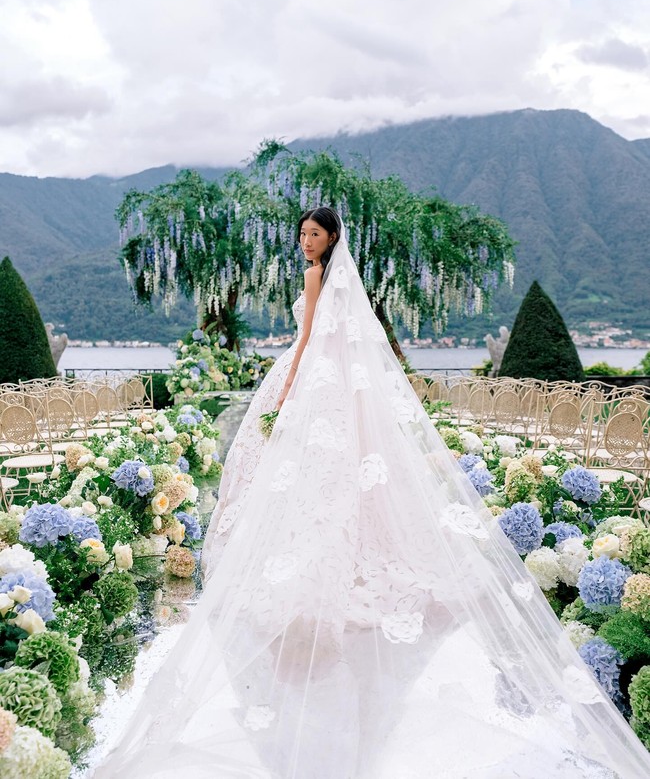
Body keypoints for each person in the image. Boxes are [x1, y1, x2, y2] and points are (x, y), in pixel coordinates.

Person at [94, 207, 650, 778]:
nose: (305, 243)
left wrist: (285, 390)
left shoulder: (315, 277)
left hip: (312, 372)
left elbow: (308, 336)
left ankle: (323, 560)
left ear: (331, 238)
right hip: (341, 378)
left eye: (314, 235)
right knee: (349, 470)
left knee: (313, 474)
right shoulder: (338, 277)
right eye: (302, 235)